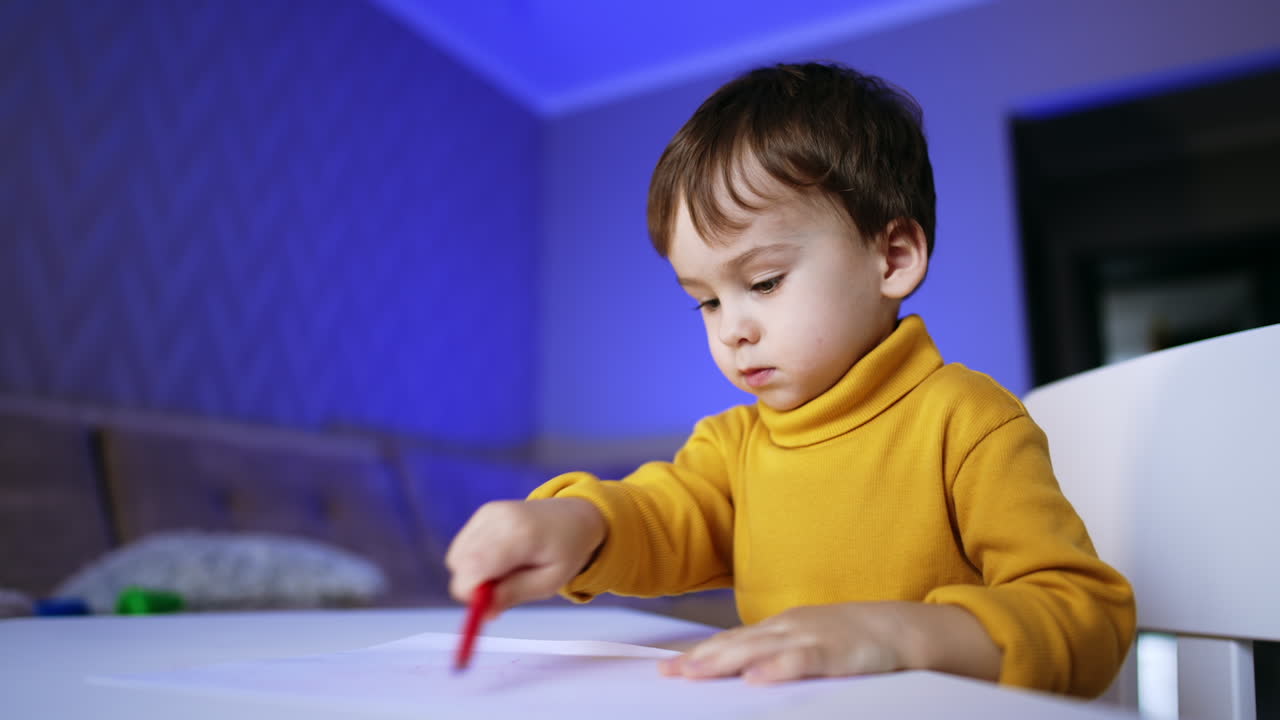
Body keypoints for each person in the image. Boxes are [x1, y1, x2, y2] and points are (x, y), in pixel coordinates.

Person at [446, 62, 1135, 697]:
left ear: (892, 256)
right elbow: (662, 517)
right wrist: (576, 521)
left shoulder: (968, 421)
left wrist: (899, 635)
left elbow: (1085, 618)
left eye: (764, 281)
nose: (730, 329)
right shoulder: (734, 445)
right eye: (707, 301)